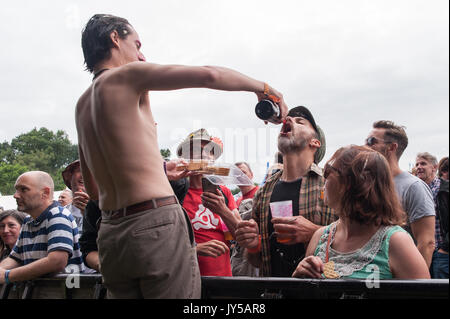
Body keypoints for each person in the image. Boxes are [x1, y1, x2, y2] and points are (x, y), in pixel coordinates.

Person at [76, 14, 287, 298]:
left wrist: (157, 171)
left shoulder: (81, 105)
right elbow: (209, 74)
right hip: (153, 223)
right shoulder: (127, 76)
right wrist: (264, 88)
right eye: (136, 44)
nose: (141, 55)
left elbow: (92, 190)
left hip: (111, 233)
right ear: (115, 38)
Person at [293, 145, 430, 279]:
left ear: (350, 183)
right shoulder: (321, 237)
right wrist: (299, 277)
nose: (324, 178)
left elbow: (425, 295)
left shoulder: (396, 241)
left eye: (328, 172)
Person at [235, 106, 337, 277]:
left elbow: (361, 243)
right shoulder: (264, 192)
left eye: (300, 122)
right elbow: (258, 261)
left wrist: (314, 232)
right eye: (289, 119)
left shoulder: (332, 184)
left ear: (315, 142)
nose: (289, 120)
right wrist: (253, 246)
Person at [365, 120, 436, 267]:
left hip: (396, 277)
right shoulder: (366, 184)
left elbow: (426, 243)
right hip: (366, 274)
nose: (365, 146)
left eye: (371, 141)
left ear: (392, 147)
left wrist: (413, 285)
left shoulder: (414, 187)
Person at [0, 171, 84, 286]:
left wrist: (8, 276)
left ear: (45, 192)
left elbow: (57, 261)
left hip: (66, 292)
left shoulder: (58, 216)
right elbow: (15, 258)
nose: (16, 195)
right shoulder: (28, 221)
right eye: (16, 190)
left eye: (23, 190)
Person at [178, 129, 240, 276]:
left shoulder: (224, 193)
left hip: (223, 279)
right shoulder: (176, 193)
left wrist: (222, 210)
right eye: (199, 150)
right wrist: (195, 249)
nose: (205, 155)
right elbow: (164, 242)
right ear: (186, 157)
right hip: (188, 279)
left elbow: (240, 236)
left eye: (210, 151)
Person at [415, 152, 449, 278]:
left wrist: (445, 248)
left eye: (423, 163)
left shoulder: (445, 189)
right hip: (421, 252)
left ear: (434, 167)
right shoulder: (415, 191)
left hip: (443, 254)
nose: (419, 167)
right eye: (417, 164)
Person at [62, 160, 90, 233]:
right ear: (70, 177)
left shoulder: (105, 213)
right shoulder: (61, 213)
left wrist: (89, 212)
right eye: (80, 170)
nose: (84, 174)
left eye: (91, 171)